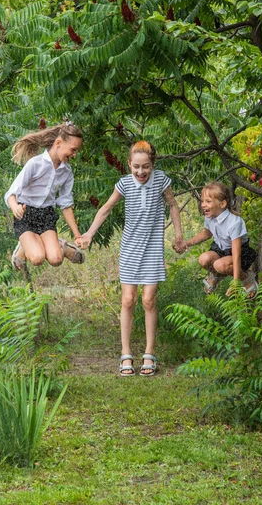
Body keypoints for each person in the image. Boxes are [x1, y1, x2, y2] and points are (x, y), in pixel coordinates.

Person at [76, 141, 186, 377]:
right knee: (128, 300)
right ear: (129, 165)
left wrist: (178, 235)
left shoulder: (161, 180)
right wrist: (88, 234)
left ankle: (149, 352)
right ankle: (126, 353)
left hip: (153, 248)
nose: (141, 172)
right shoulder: (125, 184)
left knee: (148, 300)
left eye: (146, 167)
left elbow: (174, 205)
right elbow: (105, 208)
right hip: (130, 248)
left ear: (152, 165)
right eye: (136, 167)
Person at [5, 121, 85, 270]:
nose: (74, 155)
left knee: (56, 259)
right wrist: (15, 207)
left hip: (46, 215)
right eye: (73, 150)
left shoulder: (67, 172)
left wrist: (77, 235)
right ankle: (24, 246)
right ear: (59, 143)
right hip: (26, 214)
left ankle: (60, 245)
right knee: (37, 258)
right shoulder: (35, 164)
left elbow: (66, 204)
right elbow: (11, 193)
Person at [179, 181, 258, 298]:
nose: (203, 205)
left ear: (222, 204)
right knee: (203, 259)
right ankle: (215, 275)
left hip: (239, 253)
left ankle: (246, 278)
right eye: (202, 201)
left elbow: (236, 256)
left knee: (220, 265)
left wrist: (235, 283)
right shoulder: (210, 217)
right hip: (220, 249)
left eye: (208, 201)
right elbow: (206, 233)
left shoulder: (234, 222)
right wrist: (187, 243)